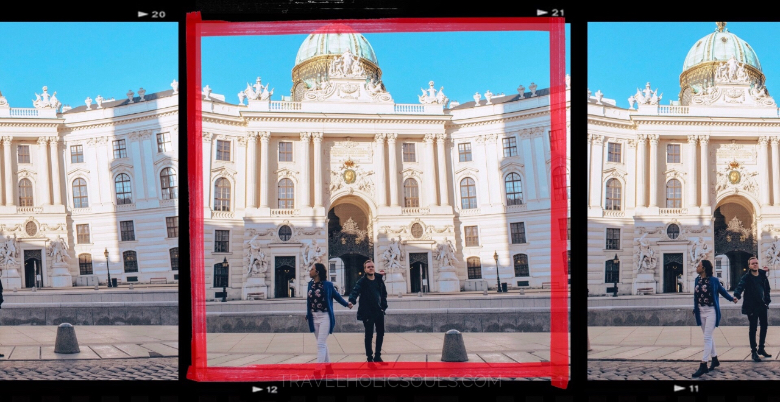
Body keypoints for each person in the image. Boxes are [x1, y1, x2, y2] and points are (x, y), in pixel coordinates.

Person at [692, 259, 735, 378]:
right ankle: (714, 358)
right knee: (708, 336)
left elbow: (723, 292)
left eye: (699, 266)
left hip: (711, 311)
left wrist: (732, 299)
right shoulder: (697, 280)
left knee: (706, 337)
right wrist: (695, 309)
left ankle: (703, 364)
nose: (697, 267)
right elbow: (695, 296)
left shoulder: (714, 280)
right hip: (700, 311)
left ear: (704, 268)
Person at [305, 263, 352, 364]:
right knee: (321, 343)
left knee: (320, 344)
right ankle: (328, 367)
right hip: (313, 317)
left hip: (325, 316)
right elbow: (310, 301)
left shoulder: (328, 285)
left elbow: (337, 296)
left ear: (317, 272)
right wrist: (307, 314)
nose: (310, 271)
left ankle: (318, 370)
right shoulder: (310, 284)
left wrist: (347, 304)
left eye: (312, 269)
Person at [733, 256, 772, 362]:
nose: (755, 264)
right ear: (749, 265)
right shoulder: (746, 277)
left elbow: (767, 289)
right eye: (753, 263)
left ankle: (761, 348)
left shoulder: (763, 276)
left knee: (764, 326)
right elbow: (740, 287)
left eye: (756, 263)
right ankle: (754, 351)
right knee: (753, 329)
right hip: (751, 307)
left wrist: (767, 301)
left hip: (762, 306)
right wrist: (736, 295)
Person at [348, 260, 388, 362]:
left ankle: (378, 355)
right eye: (368, 267)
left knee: (380, 333)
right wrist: (352, 301)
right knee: (369, 335)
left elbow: (384, 294)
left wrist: (384, 306)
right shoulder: (362, 281)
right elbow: (355, 291)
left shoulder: (379, 280)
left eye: (372, 266)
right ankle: (369, 357)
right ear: (365, 269)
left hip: (379, 311)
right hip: (367, 312)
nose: (371, 268)